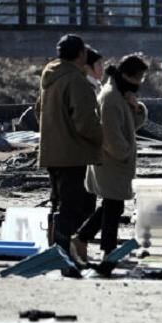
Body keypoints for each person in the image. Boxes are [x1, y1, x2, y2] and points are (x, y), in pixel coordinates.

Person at [75, 54, 149, 271]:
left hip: (116, 163)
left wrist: (136, 108)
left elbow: (129, 127)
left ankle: (82, 239)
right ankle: (107, 253)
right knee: (113, 207)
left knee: (110, 206)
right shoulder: (110, 98)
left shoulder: (120, 95)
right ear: (127, 75)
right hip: (112, 162)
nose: (139, 84)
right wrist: (124, 153)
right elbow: (110, 135)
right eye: (138, 78)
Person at [36, 34, 102, 270]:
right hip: (74, 155)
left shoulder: (50, 77)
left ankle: (57, 250)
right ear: (81, 55)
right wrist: (105, 140)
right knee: (79, 207)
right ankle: (65, 254)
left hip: (52, 153)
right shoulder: (76, 81)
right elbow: (85, 122)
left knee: (61, 204)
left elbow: (37, 112)